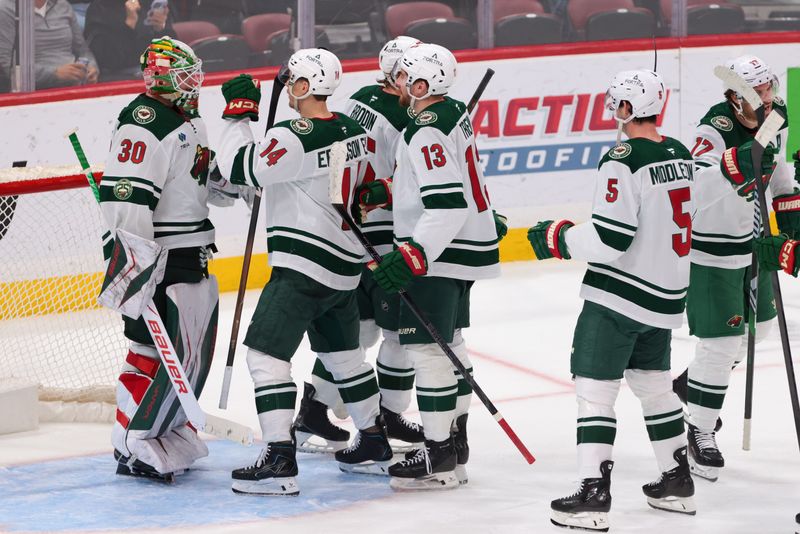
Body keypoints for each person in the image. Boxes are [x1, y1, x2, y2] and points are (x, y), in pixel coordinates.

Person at [215, 48, 392, 496]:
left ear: (301, 87)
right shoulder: (355, 130)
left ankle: (279, 460)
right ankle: (373, 440)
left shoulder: (297, 134)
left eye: (290, 81)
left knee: (265, 357)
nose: (286, 87)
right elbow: (370, 189)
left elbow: (240, 168)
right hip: (346, 267)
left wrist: (239, 116)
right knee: (345, 358)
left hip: (303, 268)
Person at [529, 70, 697, 530]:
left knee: (595, 391)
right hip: (664, 296)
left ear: (626, 108)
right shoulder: (679, 154)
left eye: (616, 103)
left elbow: (610, 239)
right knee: (654, 387)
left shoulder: (622, 158)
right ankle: (677, 480)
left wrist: (558, 237)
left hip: (619, 297)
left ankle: (592, 493)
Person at [362, 42, 501, 491]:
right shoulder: (453, 111)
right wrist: (391, 187)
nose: (398, 84)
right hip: (463, 251)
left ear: (421, 84)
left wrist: (412, 255)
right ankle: (455, 445)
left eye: (405, 77)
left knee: (426, 351)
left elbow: (446, 204)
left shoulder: (423, 129)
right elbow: (437, 181)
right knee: (451, 345)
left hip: (441, 254)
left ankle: (438, 452)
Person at [99, 37, 233, 481]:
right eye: (184, 73)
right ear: (160, 76)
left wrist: (237, 178)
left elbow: (201, 177)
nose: (194, 80)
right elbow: (126, 203)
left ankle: (167, 430)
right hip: (161, 255)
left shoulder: (188, 118)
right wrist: (133, 271)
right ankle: (131, 444)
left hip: (193, 250)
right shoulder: (143, 123)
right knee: (148, 348)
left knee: (188, 354)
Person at [292, 35, 425, 455]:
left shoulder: (358, 99)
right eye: (412, 74)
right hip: (386, 235)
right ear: (398, 74)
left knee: (361, 330)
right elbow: (412, 177)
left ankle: (315, 408)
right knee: (399, 333)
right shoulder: (408, 120)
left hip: (352, 228)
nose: (419, 82)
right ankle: (389, 413)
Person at [672, 55, 798, 482]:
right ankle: (699, 429)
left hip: (754, 245)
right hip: (712, 252)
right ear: (735, 95)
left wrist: (794, 220)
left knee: (756, 330)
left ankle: (692, 383)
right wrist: (739, 162)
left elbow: (779, 180)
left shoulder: (773, 120)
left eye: (769, 87)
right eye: (758, 91)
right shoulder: (713, 129)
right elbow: (695, 186)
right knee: (722, 342)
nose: (767, 97)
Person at [0, 0, 99, 89]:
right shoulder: (5, 9)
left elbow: (83, 50)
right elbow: (8, 66)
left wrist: (92, 67)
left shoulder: (63, 6)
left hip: (76, 86)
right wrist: (55, 74)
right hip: (36, 91)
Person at [84, 0, 174, 81]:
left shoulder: (148, 4)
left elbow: (174, 51)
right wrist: (129, 24)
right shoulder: (99, 9)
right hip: (120, 77)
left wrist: (160, 29)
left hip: (155, 70)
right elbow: (109, 61)